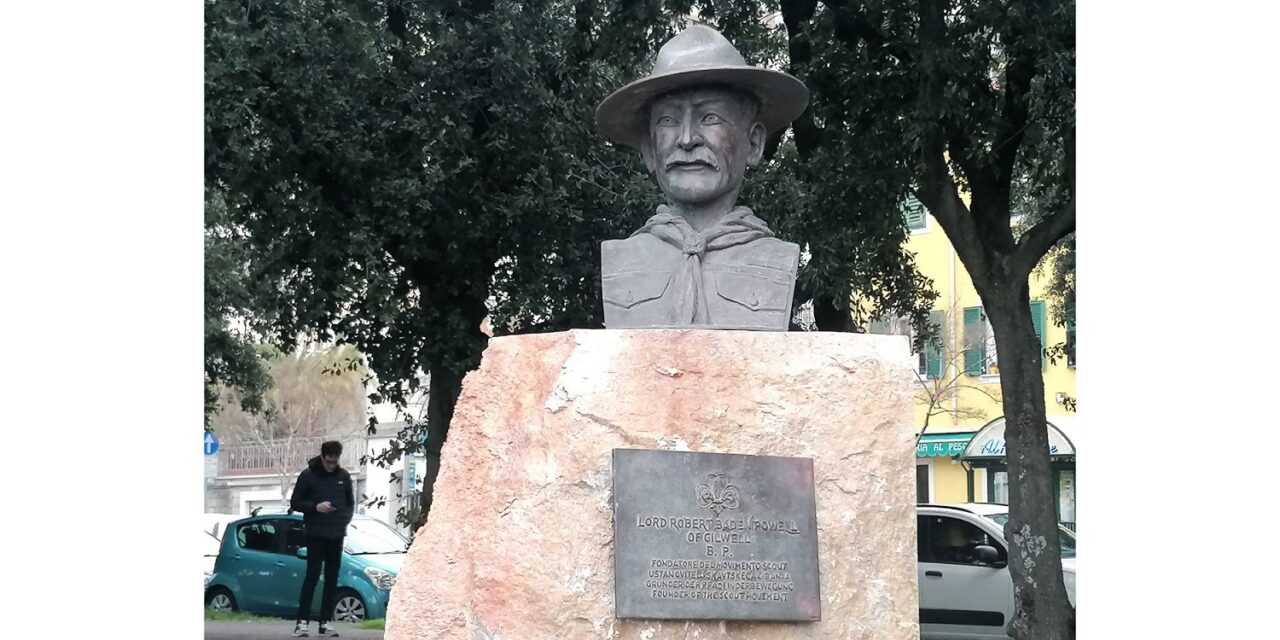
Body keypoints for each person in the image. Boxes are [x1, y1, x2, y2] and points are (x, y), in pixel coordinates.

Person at [595, 24, 810, 330]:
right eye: (668, 120)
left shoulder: (774, 259)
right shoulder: (621, 259)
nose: (686, 139)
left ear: (754, 143)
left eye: (710, 118)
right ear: (649, 151)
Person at [289, 440, 354, 637]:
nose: (331, 466)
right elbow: (296, 502)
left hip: (336, 533)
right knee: (312, 576)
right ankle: (302, 622)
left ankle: (325, 622)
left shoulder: (343, 477)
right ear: (322, 457)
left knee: (332, 578)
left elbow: (350, 503)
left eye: (335, 462)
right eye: (328, 462)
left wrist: (343, 521)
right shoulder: (308, 476)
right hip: (315, 532)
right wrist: (315, 507)